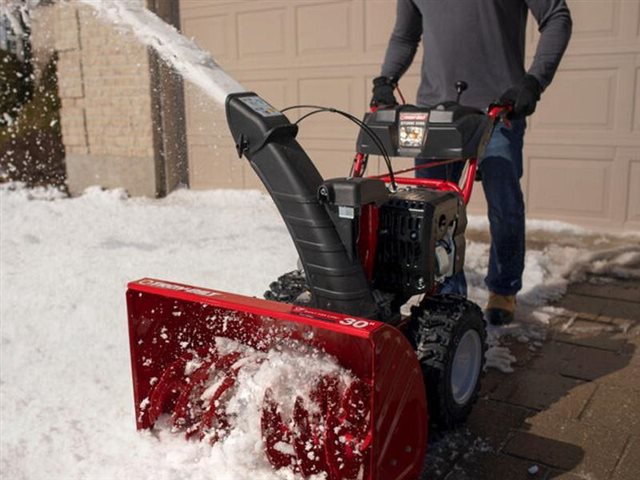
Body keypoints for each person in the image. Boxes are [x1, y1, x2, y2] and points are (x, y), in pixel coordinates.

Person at [371, 0, 572, 325]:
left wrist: (533, 82)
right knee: (432, 209)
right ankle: (448, 290)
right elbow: (405, 36)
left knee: (504, 202)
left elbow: (556, 17)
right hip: (435, 112)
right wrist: (386, 78)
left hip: (499, 109)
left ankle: (503, 287)